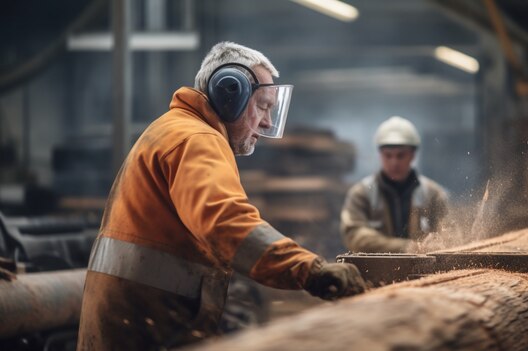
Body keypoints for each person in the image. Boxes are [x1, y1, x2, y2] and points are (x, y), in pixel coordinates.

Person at [77, 41, 366, 350]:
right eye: (264, 106)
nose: (267, 122)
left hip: (133, 325)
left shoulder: (173, 130)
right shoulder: (197, 139)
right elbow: (225, 222)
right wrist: (310, 270)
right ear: (231, 93)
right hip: (144, 332)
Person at [340, 116, 450, 253]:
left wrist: (436, 245)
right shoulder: (361, 194)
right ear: (380, 154)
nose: (394, 162)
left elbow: (450, 236)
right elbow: (354, 235)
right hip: (373, 272)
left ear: (412, 155)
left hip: (425, 273)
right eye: (388, 155)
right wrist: (405, 247)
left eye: (400, 155)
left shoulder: (433, 194)